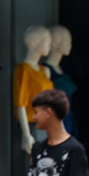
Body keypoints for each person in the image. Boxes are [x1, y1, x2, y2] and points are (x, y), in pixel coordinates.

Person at [13, 26, 54, 155]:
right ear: (36, 42)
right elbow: (20, 104)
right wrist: (26, 134)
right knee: (32, 163)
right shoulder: (24, 70)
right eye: (47, 42)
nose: (50, 46)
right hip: (32, 124)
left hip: (47, 124)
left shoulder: (43, 71)